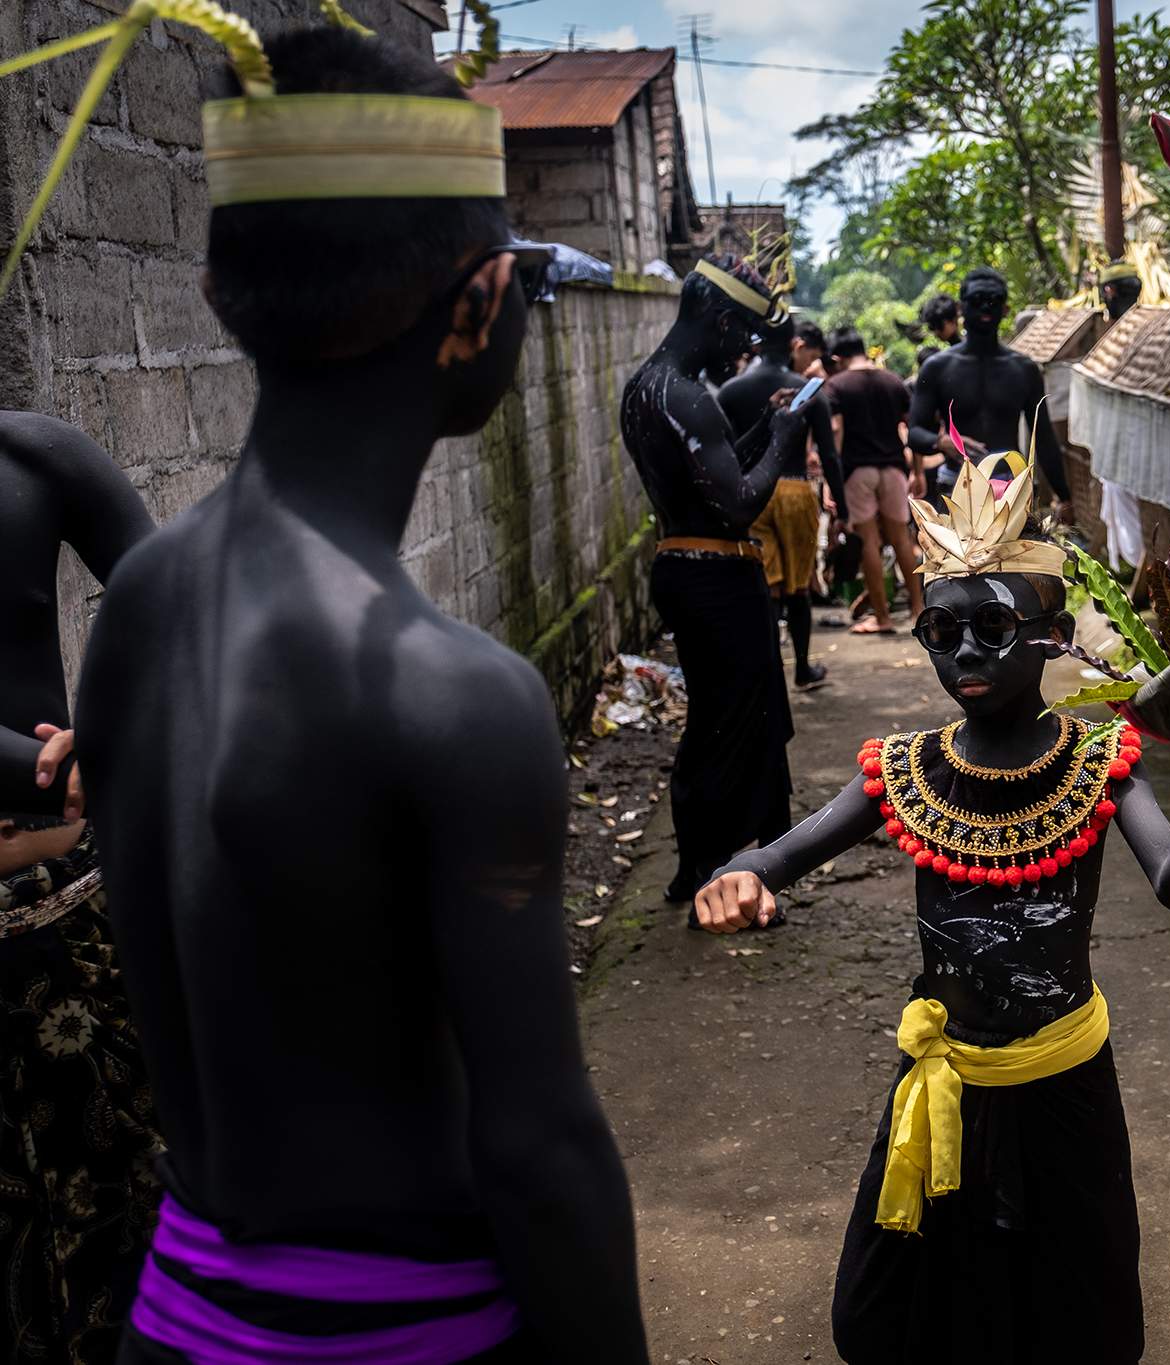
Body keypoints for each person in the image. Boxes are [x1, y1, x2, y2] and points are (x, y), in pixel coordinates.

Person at [72, 30, 647, 1362]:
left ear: (219, 291)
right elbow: (540, 1150)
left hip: (180, 1312)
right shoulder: (455, 696)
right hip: (400, 1334)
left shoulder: (142, 603)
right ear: (480, 301)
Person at [694, 452, 1170, 1364]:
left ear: (1053, 632)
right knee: (894, 1315)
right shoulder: (906, 768)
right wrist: (741, 872)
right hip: (946, 1078)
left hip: (1066, 1084)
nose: (967, 653)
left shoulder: (1100, 759)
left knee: (1077, 1312)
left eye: (993, 625)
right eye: (941, 632)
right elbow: (787, 850)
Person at [0, 413, 157, 1365]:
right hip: (59, 832)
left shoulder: (38, 453)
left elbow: (181, 607)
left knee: (121, 1214)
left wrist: (117, 723)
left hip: (72, 923)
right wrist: (53, 768)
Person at [621, 252, 809, 906]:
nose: (747, 348)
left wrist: (763, 425)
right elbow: (735, 504)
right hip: (717, 578)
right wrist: (785, 442)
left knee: (714, 720)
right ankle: (720, 875)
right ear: (716, 316)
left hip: (683, 565)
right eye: (742, 332)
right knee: (737, 725)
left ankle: (694, 866)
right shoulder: (688, 396)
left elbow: (709, 478)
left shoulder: (648, 386)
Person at [721, 316, 847, 691]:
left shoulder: (730, 391)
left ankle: (768, 671)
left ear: (756, 343)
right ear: (793, 343)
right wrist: (841, 509)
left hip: (750, 492)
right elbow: (829, 457)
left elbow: (726, 454)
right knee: (798, 587)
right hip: (795, 491)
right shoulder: (810, 393)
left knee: (767, 584)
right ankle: (803, 669)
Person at [906, 267, 1072, 514]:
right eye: (977, 301)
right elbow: (915, 434)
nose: (985, 308)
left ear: (1005, 309)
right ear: (962, 308)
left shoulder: (1024, 370)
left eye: (993, 301)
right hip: (956, 487)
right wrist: (943, 442)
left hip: (1011, 492)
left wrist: (1065, 497)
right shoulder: (937, 368)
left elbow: (1045, 439)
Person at [826, 327, 927, 635]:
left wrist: (832, 482)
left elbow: (836, 433)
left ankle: (882, 617)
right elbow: (912, 428)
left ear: (837, 358)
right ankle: (918, 610)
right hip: (894, 471)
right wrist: (918, 471)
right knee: (901, 540)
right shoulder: (893, 381)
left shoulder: (836, 386)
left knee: (868, 541)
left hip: (859, 473)